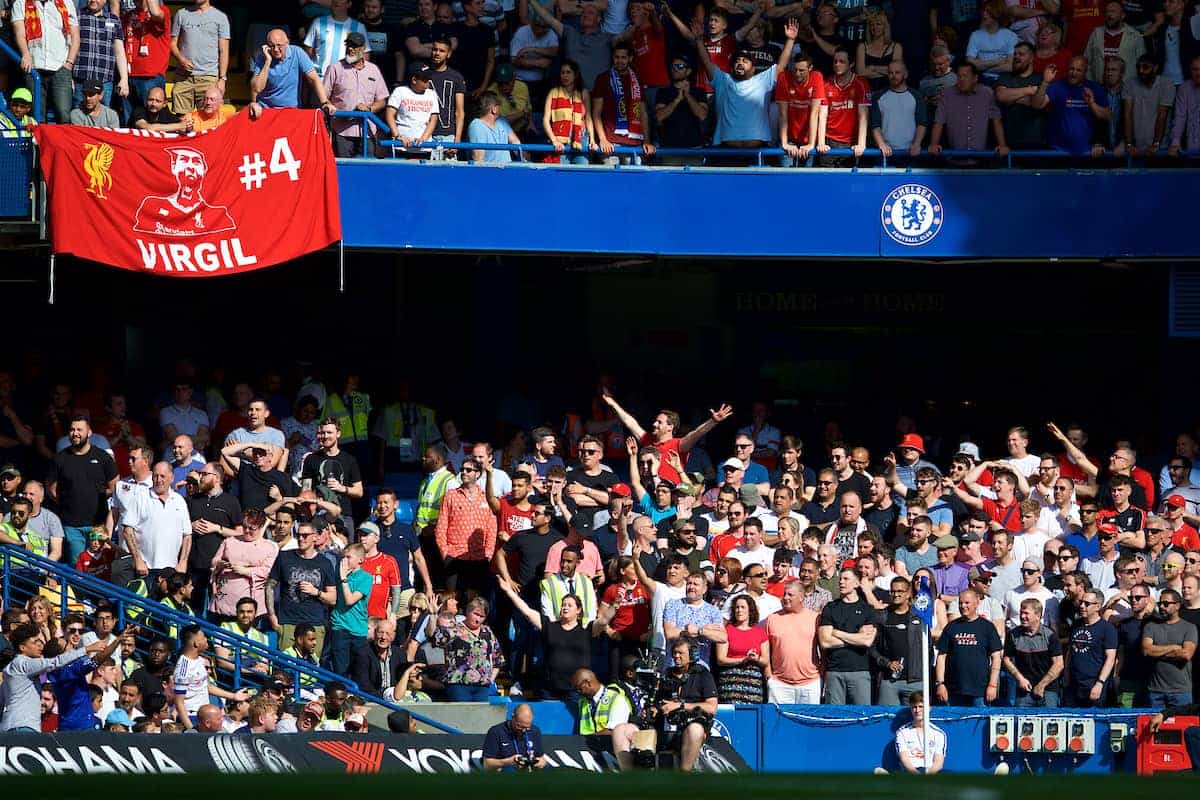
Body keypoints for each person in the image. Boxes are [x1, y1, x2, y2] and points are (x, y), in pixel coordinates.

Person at [500, 578, 597, 700]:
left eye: (569, 605)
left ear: (578, 610)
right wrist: (509, 591)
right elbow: (527, 612)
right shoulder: (549, 627)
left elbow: (603, 621)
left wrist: (615, 605)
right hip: (550, 690)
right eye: (563, 605)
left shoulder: (586, 631)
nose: (565, 608)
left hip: (576, 691)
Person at [47, 415, 116, 565]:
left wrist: (94, 496)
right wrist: (69, 499)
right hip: (71, 526)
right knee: (78, 569)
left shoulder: (102, 457)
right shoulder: (61, 458)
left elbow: (114, 485)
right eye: (72, 429)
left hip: (98, 525)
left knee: (99, 568)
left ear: (89, 432)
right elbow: (51, 487)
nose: (75, 433)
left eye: (79, 429)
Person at [265, 522, 337, 652]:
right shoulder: (284, 557)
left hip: (314, 623)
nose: (300, 539)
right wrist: (271, 615)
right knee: (286, 668)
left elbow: (333, 598)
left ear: (315, 537)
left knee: (310, 668)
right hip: (288, 622)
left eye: (305, 535)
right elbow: (270, 585)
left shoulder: (324, 563)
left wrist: (316, 592)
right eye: (298, 535)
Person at [653, 637, 718, 772]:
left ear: (692, 655)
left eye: (680, 653)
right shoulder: (666, 675)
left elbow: (712, 707)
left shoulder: (703, 675)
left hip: (691, 728)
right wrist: (654, 709)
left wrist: (680, 706)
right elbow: (656, 703)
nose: (676, 656)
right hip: (665, 728)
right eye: (674, 652)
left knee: (695, 729)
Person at [324, 31, 389, 157]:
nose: (350, 49)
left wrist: (369, 109)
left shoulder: (373, 69)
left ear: (363, 49)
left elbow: (382, 101)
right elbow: (323, 98)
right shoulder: (335, 68)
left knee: (367, 171)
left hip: (367, 131)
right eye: (348, 45)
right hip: (342, 130)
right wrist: (331, 109)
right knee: (343, 171)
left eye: (354, 46)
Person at [172, 625, 250, 730]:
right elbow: (179, 702)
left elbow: (207, 687)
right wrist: (191, 729)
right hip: (192, 717)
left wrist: (233, 696)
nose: (206, 640)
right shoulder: (183, 668)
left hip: (205, 716)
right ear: (196, 643)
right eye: (203, 637)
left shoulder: (199, 660)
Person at [935, 589, 1003, 706]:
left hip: (980, 691)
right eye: (961, 603)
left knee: (980, 723)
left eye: (967, 603)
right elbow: (941, 657)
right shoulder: (951, 627)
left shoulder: (987, 627)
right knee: (954, 723)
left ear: (977, 603)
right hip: (954, 689)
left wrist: (992, 684)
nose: (963, 606)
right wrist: (940, 684)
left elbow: (996, 657)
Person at [590, 41, 655, 163]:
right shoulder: (603, 78)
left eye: (623, 57)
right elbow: (596, 113)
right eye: (616, 57)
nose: (619, 61)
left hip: (635, 143)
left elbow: (642, 113)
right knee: (611, 181)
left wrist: (647, 141)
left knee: (634, 181)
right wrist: (603, 139)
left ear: (630, 58)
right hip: (611, 144)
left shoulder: (637, 80)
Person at [819, 567, 876, 704]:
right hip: (834, 671)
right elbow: (825, 642)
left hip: (860, 671)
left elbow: (867, 641)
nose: (841, 582)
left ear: (856, 584)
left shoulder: (867, 609)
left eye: (846, 579)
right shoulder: (831, 608)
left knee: (862, 717)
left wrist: (838, 633)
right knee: (835, 716)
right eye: (840, 579)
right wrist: (857, 637)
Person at [249, 28, 336, 116]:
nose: (275, 49)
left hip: (291, 111)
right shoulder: (263, 57)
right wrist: (267, 62)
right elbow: (257, 88)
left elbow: (314, 79)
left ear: (287, 43)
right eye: (271, 46)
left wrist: (325, 102)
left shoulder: (297, 53)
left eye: (279, 45)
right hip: (266, 110)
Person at [1032, 57, 1110, 155]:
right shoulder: (1057, 86)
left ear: (1085, 72)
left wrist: (1092, 104)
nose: (1073, 73)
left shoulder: (1095, 88)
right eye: (1071, 69)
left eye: (1078, 70)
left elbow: (1107, 116)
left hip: (1088, 151)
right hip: (1057, 151)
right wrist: (1045, 82)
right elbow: (1036, 105)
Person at [872, 576, 929, 706]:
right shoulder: (881, 616)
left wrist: (924, 675)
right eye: (893, 591)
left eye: (900, 591)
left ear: (908, 593)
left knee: (916, 720)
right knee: (887, 720)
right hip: (888, 680)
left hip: (915, 681)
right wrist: (886, 663)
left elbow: (928, 648)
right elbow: (872, 648)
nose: (896, 594)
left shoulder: (919, 617)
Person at [434, 597, 504, 701]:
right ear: (467, 611)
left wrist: (490, 679)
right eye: (475, 614)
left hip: (482, 687)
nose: (478, 619)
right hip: (458, 684)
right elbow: (436, 639)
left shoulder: (487, 632)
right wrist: (433, 615)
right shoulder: (454, 628)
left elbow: (498, 659)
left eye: (482, 616)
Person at [1003, 597, 1064, 706]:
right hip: (1024, 690)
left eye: (1026, 613)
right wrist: (1019, 678)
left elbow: (1059, 664)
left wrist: (1042, 685)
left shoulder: (1050, 635)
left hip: (1048, 690)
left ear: (1037, 615)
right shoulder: (1013, 635)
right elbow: (1007, 659)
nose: (1022, 617)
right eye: (1021, 613)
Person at [573, 669, 638, 769]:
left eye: (579, 688)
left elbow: (614, 731)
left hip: (612, 752)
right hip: (588, 752)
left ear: (588, 683)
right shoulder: (583, 702)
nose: (578, 692)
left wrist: (589, 737)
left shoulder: (617, 699)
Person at [1143, 588, 1198, 706]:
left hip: (1181, 691)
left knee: (1182, 724)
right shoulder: (1151, 626)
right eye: (1160, 603)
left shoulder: (1189, 628)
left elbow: (1186, 654)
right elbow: (1147, 650)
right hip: (1155, 691)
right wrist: (1174, 648)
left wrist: (1157, 651)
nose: (1162, 606)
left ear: (1177, 606)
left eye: (1166, 604)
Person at [1068, 589, 1118, 707]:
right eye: (1081, 602)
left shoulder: (1107, 629)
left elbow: (1110, 658)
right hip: (1075, 683)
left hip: (1094, 682)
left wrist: (1100, 683)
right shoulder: (1076, 624)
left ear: (1098, 607)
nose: (1082, 606)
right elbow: (1070, 651)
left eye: (1087, 604)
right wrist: (1066, 674)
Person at [891, 692, 946, 774]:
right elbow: (904, 759)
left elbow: (939, 762)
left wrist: (927, 776)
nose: (917, 710)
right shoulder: (902, 732)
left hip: (931, 773)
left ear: (929, 708)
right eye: (914, 707)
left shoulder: (939, 734)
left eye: (921, 706)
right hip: (910, 773)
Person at [482, 703, 546, 771]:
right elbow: (487, 764)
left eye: (526, 727)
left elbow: (541, 758)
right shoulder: (496, 732)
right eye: (519, 726)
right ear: (513, 717)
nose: (523, 730)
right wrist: (509, 762)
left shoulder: (534, 731)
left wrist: (541, 762)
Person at [468, 91, 524, 163]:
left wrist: (524, 161)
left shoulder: (502, 121)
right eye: (499, 105)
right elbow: (478, 159)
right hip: (490, 171)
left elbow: (516, 142)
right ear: (494, 109)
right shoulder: (476, 125)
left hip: (507, 169)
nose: (500, 108)